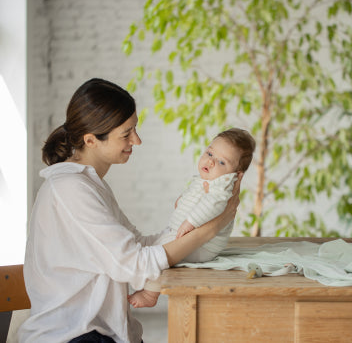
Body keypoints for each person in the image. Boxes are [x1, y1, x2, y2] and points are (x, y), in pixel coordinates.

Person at [18, 78, 242, 343]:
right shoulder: (70, 190)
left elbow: (138, 246)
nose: (137, 140)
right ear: (91, 140)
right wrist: (212, 227)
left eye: (134, 129)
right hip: (74, 336)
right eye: (126, 133)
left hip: (98, 332)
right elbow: (137, 264)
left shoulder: (88, 184)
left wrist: (197, 218)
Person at [128, 128, 256, 308]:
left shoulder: (223, 186)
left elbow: (213, 205)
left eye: (221, 162)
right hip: (188, 235)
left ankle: (151, 293)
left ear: (236, 175)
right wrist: (182, 200)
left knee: (161, 251)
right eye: (210, 153)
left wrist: (191, 222)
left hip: (203, 246)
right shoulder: (209, 179)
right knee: (155, 244)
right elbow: (196, 193)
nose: (210, 161)